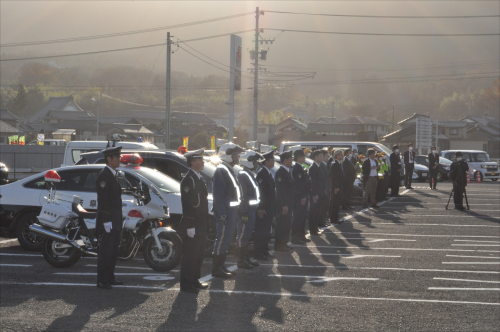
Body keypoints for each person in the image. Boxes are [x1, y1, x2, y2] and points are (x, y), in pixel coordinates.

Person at [211, 142, 245, 278]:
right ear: (228, 154)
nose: (237, 158)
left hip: (231, 212)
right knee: (222, 239)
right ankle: (216, 269)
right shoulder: (221, 170)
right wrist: (222, 214)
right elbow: (218, 196)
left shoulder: (227, 169)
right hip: (225, 213)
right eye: (235, 155)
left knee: (226, 240)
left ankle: (221, 266)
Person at [179, 149, 210, 293]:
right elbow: (187, 204)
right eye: (199, 160)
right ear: (192, 162)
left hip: (201, 222)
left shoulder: (198, 177)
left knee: (199, 254)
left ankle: (195, 279)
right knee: (190, 256)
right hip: (192, 223)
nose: (202, 162)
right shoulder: (189, 179)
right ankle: (186, 284)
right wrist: (190, 225)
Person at [96, 146, 123, 290]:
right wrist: (106, 221)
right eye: (117, 157)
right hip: (109, 220)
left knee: (112, 251)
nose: (119, 159)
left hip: (115, 219)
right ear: (109, 159)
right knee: (106, 250)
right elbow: (103, 200)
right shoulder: (104, 175)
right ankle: (102, 280)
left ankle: (110, 278)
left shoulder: (113, 174)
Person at [236, 150, 262, 269]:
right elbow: (242, 195)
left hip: (251, 209)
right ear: (249, 162)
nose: (257, 164)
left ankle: (246, 258)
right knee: (243, 235)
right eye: (255, 161)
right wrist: (244, 211)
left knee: (247, 235)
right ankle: (241, 261)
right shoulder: (243, 175)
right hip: (246, 211)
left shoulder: (248, 174)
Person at [254, 150, 276, 261]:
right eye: (272, 159)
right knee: (261, 231)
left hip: (269, 207)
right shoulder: (262, 173)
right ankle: (258, 253)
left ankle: (265, 251)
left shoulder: (268, 172)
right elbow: (261, 193)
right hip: (264, 208)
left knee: (266, 230)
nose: (274, 161)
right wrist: (261, 208)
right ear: (267, 161)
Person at [274, 151, 295, 252]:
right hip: (284, 204)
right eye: (290, 159)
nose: (292, 160)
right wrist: (284, 205)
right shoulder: (280, 172)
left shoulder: (287, 171)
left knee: (287, 224)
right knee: (281, 224)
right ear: (285, 160)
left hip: (289, 203)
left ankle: (285, 243)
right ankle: (279, 245)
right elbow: (281, 191)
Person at [291, 149, 311, 244]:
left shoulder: (301, 167)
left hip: (304, 195)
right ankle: (295, 237)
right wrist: (302, 196)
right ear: (299, 158)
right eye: (303, 157)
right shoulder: (297, 168)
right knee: (298, 217)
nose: (304, 158)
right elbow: (299, 185)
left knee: (302, 217)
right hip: (300, 197)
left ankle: (301, 235)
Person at [308, 150, 325, 235]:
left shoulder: (318, 166)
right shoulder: (313, 167)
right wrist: (315, 194)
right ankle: (312, 230)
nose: (322, 157)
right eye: (321, 156)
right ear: (316, 157)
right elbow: (313, 182)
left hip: (320, 193)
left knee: (317, 212)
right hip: (316, 194)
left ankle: (315, 228)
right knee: (313, 212)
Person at [330, 150, 345, 224]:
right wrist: (336, 187)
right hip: (337, 187)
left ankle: (336, 218)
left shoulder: (338, 163)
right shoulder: (334, 164)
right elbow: (334, 177)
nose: (342, 156)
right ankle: (334, 219)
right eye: (341, 155)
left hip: (340, 186)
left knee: (337, 203)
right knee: (335, 203)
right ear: (337, 156)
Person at [319, 150, 331, 227]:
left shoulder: (325, 165)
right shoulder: (322, 166)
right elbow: (323, 179)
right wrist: (325, 189)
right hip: (324, 189)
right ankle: (320, 221)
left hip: (327, 188)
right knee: (322, 207)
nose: (328, 157)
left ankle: (322, 220)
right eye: (327, 156)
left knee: (325, 206)